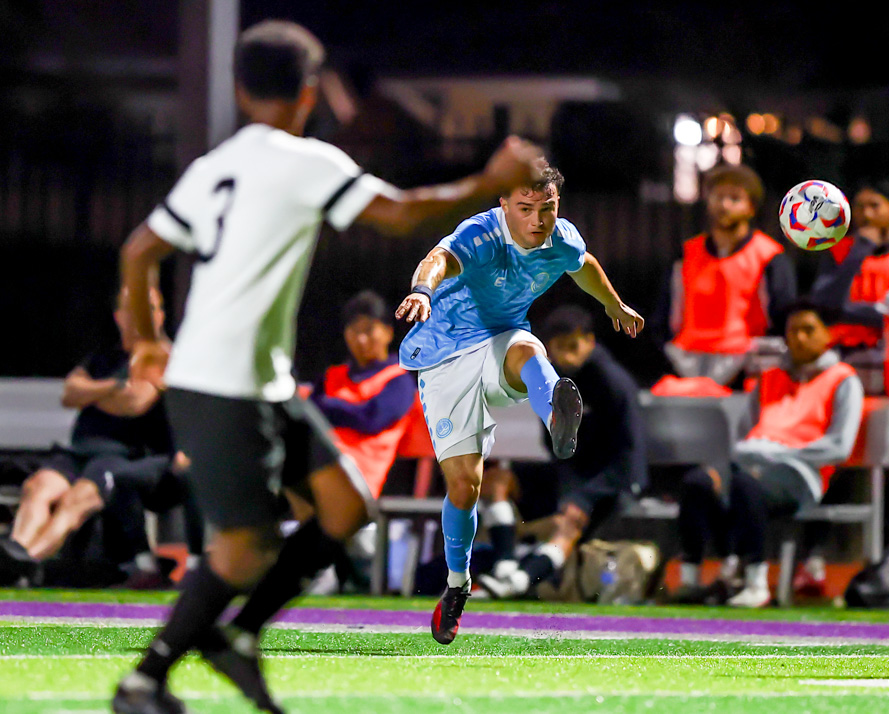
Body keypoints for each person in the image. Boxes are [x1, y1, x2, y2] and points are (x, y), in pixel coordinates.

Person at [114, 19, 545, 714]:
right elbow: (400, 215)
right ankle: (145, 680)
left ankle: (240, 638)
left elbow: (139, 252)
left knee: (346, 508)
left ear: (239, 89)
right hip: (222, 383)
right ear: (309, 92)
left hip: (256, 381)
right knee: (245, 547)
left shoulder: (214, 165)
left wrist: (146, 339)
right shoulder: (306, 161)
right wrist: (488, 182)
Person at [395, 162, 644, 644]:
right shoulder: (481, 234)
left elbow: (584, 265)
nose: (537, 220)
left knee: (528, 348)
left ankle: (555, 412)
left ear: (557, 205)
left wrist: (612, 303)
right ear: (505, 204)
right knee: (465, 487)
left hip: (501, 342)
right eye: (525, 208)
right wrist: (423, 291)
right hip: (446, 356)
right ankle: (457, 584)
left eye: (546, 208)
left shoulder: (560, 238)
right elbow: (437, 258)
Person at [675, 300, 863, 607]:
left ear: (828, 334)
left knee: (746, 485)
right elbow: (744, 432)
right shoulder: (770, 377)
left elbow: (840, 446)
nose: (799, 338)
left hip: (800, 470)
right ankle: (690, 580)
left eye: (808, 330)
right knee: (698, 482)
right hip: (750, 461)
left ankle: (755, 582)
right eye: (793, 331)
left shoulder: (844, 380)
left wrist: (783, 452)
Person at [0, 287, 180, 586]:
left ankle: (28, 561)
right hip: (79, 452)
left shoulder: (162, 358)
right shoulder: (103, 357)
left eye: (149, 308)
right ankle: (14, 553)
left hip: (122, 456)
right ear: (119, 316)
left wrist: (92, 393)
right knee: (39, 486)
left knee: (77, 499)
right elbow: (70, 393)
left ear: (160, 315)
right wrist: (113, 387)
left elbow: (135, 402)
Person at [476, 304, 648, 599]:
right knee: (494, 480)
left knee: (569, 520)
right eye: (559, 347)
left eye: (573, 346)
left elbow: (630, 456)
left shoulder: (613, 383)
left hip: (611, 484)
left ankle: (520, 581)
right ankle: (505, 565)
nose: (567, 355)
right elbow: (553, 443)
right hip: (569, 476)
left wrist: (579, 495)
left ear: (590, 342)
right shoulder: (551, 381)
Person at [650, 164, 796, 387]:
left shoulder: (769, 257)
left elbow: (783, 320)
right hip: (684, 364)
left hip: (746, 368)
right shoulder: (687, 254)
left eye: (735, 198)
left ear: (751, 208)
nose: (724, 205)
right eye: (718, 197)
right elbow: (664, 316)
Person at [306, 290, 425, 500]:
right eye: (354, 330)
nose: (361, 339)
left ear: (387, 332)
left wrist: (326, 407)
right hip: (317, 470)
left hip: (358, 482)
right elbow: (306, 416)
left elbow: (370, 419)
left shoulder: (398, 381)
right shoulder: (332, 376)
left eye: (369, 330)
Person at [810, 178, 889, 351]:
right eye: (859, 207)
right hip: (840, 351)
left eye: (874, 206)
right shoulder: (838, 250)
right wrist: (858, 252)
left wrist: (844, 311)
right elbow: (823, 305)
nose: (867, 214)